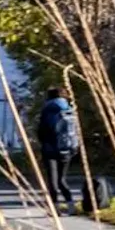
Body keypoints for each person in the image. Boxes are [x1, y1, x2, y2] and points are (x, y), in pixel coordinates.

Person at [36, 83, 78, 213]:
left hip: (50, 148)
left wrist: (42, 143)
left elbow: (42, 130)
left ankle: (55, 208)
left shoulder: (47, 109)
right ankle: (71, 205)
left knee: (52, 180)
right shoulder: (69, 109)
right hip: (66, 148)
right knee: (62, 179)